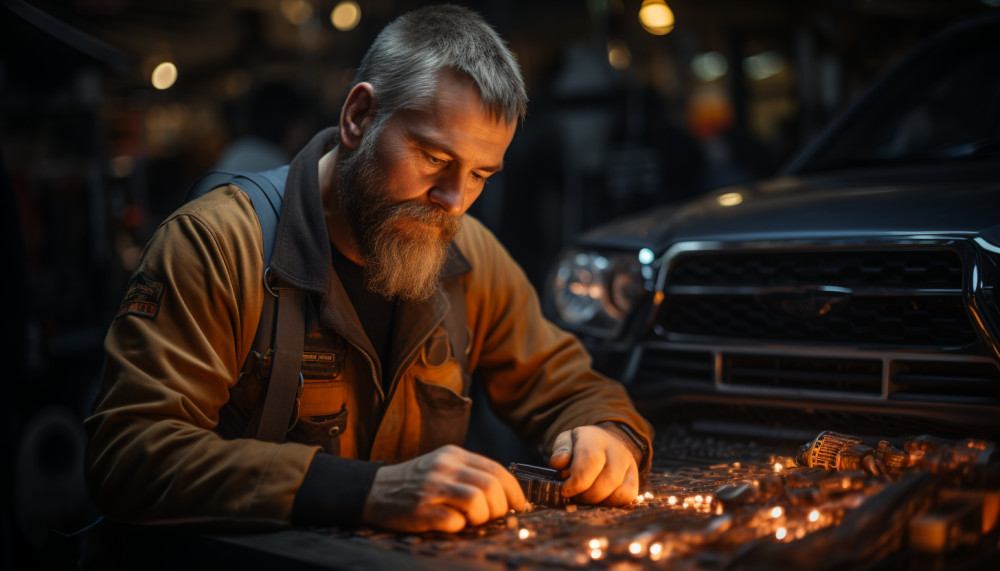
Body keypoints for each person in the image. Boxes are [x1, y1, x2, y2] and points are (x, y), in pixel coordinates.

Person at [85, 4, 652, 534]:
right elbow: (129, 454)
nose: (455, 200)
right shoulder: (216, 244)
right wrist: (365, 490)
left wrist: (604, 432)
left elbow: (569, 385)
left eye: (481, 175)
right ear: (359, 117)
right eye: (434, 158)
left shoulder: (470, 257)